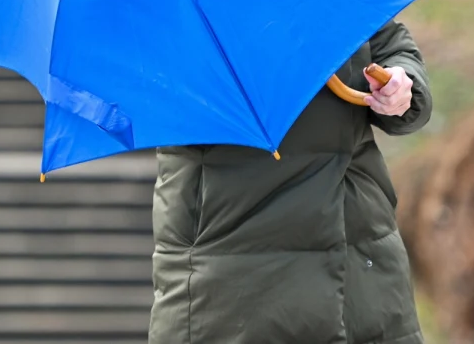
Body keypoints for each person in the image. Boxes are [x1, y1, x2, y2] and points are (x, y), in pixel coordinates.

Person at [149, 18, 431, 344]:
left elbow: (388, 41)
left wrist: (402, 82)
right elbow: (156, 85)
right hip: (232, 268)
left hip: (358, 251)